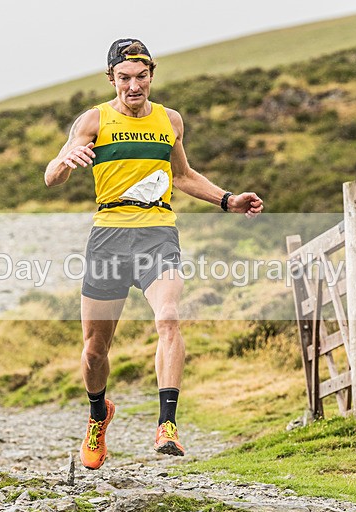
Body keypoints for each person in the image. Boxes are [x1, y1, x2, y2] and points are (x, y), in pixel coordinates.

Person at [44, 38, 263, 470]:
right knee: (93, 351)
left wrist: (227, 199)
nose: (133, 86)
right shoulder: (94, 119)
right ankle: (97, 414)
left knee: (168, 316)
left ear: (151, 76)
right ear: (112, 79)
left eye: (140, 77)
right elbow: (52, 177)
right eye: (123, 78)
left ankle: (167, 426)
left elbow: (182, 176)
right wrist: (67, 158)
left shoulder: (169, 120)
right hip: (108, 236)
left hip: (157, 232)